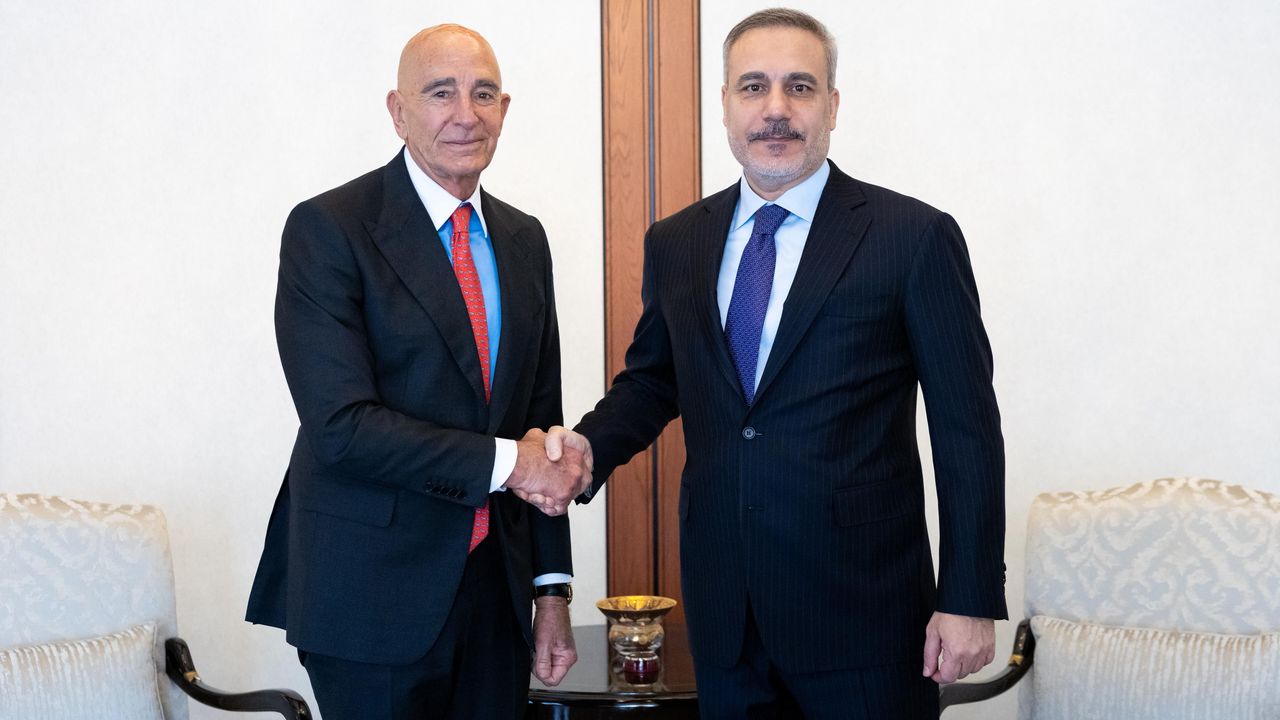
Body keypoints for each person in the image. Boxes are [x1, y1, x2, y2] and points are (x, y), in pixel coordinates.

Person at [546, 8, 1007, 719]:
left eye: (800, 86)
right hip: (727, 616)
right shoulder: (677, 242)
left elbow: (967, 429)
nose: (776, 110)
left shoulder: (913, 238)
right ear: (725, 105)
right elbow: (655, 380)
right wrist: (586, 449)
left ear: (832, 106)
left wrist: (969, 598)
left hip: (865, 617)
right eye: (754, 87)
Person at [245, 24, 592, 720]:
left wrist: (551, 591)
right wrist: (510, 464)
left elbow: (541, 424)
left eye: (484, 94)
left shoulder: (524, 239)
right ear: (398, 111)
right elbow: (342, 427)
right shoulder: (329, 228)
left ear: (504, 110)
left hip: (495, 597)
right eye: (440, 93)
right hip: (370, 595)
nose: (466, 114)